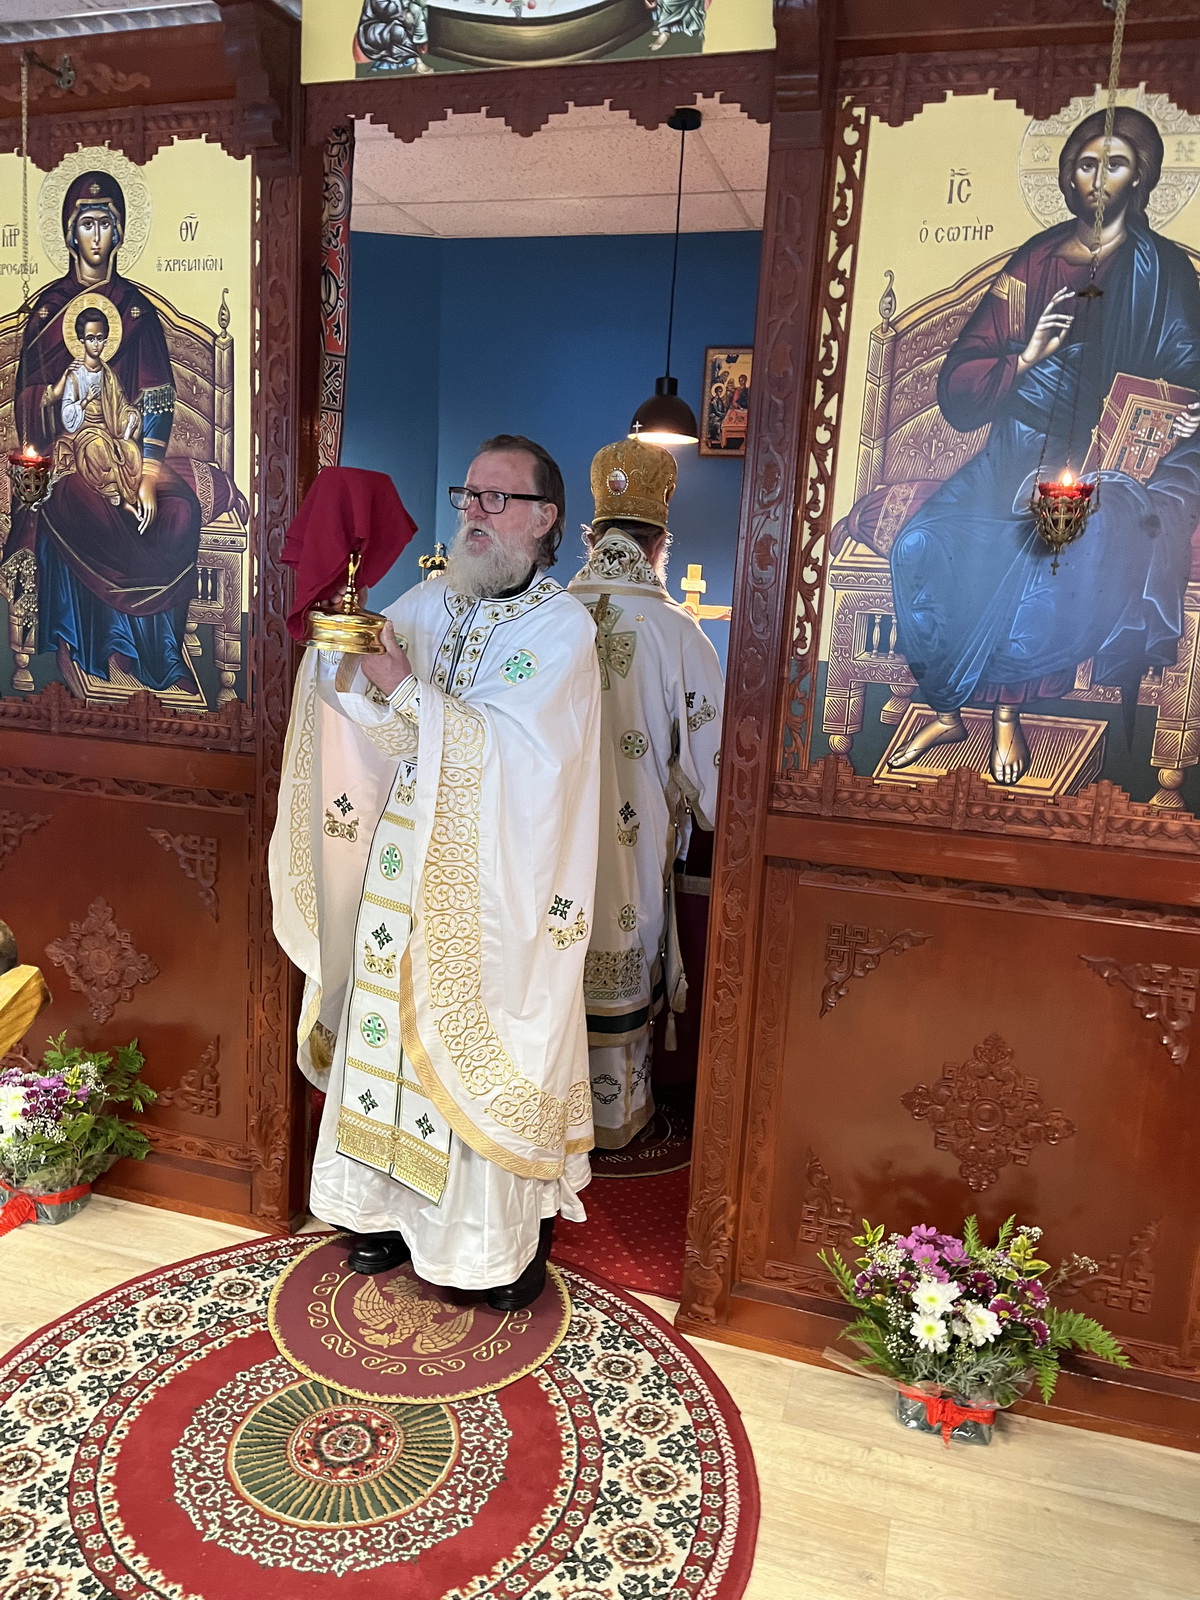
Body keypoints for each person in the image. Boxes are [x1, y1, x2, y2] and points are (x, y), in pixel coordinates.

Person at [271, 435, 600, 1310]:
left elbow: (524, 760)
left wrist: (403, 687)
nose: (474, 514)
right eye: (468, 495)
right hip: (399, 871)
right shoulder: (429, 600)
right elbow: (382, 728)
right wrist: (338, 648)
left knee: (482, 1046)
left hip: (497, 890)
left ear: (545, 519)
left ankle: (497, 1250)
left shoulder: (561, 629)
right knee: (385, 1038)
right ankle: (381, 1213)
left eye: (497, 498)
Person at [887, 107, 1200, 785]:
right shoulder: (1037, 258)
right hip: (1010, 448)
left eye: (1115, 164)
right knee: (919, 542)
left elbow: (1187, 373)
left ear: (1140, 177)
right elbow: (959, 381)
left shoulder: (1163, 270)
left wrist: (1185, 417)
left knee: (1030, 555)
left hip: (1095, 460)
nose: (1098, 178)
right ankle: (946, 706)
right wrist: (1026, 356)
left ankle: (1004, 716)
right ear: (1067, 174)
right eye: (1086, 163)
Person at [567, 436, 724, 1148]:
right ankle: (615, 1116)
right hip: (631, 841)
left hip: (544, 837)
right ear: (660, 544)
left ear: (592, 536)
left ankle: (551, 1115)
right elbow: (711, 762)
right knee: (622, 937)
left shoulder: (544, 616)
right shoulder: (677, 631)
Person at [9, 170, 202, 699]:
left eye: (105, 224)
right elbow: (27, 396)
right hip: (67, 455)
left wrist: (147, 471)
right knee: (85, 505)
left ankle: (160, 654)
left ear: (119, 233)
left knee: (179, 511)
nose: (96, 236)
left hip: (126, 453)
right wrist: (50, 402)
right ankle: (90, 647)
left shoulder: (136, 312)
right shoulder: (48, 311)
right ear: (70, 234)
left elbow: (156, 397)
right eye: (86, 224)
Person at [50, 308, 142, 512]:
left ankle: (122, 492)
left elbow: (120, 404)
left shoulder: (109, 375)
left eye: (100, 339)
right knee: (97, 448)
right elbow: (67, 415)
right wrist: (86, 401)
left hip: (109, 429)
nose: (96, 344)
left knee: (131, 451)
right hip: (83, 432)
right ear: (82, 341)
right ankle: (109, 489)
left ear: (106, 341)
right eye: (91, 339)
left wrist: (129, 415)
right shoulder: (75, 375)